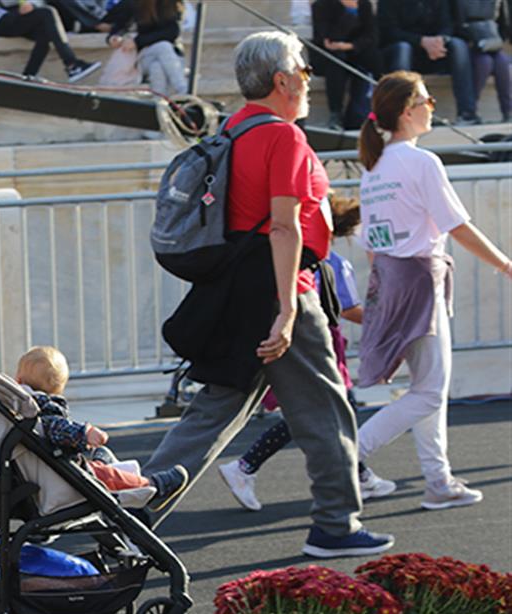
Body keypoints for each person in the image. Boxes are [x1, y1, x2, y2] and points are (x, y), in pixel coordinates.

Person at [141, 31, 394, 559]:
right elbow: (284, 229)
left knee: (211, 414)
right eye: (303, 69)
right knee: (326, 410)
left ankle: (127, 516)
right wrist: (285, 312)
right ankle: (336, 525)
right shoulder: (285, 138)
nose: (308, 78)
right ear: (282, 80)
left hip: (240, 292)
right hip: (285, 295)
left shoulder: (234, 129)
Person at [356, 71, 512, 510]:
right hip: (418, 278)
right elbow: (457, 225)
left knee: (428, 387)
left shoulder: (376, 166)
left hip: (392, 278)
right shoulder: (421, 162)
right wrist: (504, 264)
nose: (432, 108)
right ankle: (352, 455)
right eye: (427, 101)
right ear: (408, 111)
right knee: (429, 390)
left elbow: (373, 242)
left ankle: (438, 480)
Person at [218, 242, 397, 511]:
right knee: (325, 410)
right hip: (317, 341)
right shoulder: (332, 261)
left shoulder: (296, 255)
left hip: (307, 338)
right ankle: (245, 466)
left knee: (323, 410)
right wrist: (387, 322)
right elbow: (346, 308)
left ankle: (359, 475)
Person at [15, 346, 188, 505]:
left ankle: (103, 461)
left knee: (99, 465)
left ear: (18, 379)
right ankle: (153, 486)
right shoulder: (42, 407)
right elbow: (56, 428)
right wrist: (85, 433)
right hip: (66, 475)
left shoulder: (18, 405)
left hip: (43, 470)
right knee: (107, 476)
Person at [377, 0, 481, 124]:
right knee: (403, 49)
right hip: (403, 54)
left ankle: (467, 114)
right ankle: (401, 113)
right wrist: (421, 41)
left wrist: (440, 39)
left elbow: (448, 24)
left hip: (434, 53)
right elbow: (388, 32)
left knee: (458, 46)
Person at [0, 0, 103, 83]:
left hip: (26, 18)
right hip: (3, 22)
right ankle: (72, 64)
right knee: (47, 13)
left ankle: (28, 75)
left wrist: (32, 4)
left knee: (46, 31)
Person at [311, 0, 380, 130]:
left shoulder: (364, 5)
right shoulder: (321, 5)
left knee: (373, 57)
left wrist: (351, 46)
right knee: (336, 62)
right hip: (327, 55)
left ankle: (381, 109)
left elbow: (371, 37)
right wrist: (350, 14)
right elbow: (328, 39)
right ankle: (335, 114)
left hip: (355, 51)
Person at [104, 0, 188, 97]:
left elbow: (172, 32)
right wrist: (113, 38)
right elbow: (118, 26)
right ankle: (183, 90)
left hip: (171, 56)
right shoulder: (133, 3)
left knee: (157, 67)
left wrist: (137, 41)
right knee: (163, 46)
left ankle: (159, 103)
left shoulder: (173, 3)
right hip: (144, 56)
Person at [453, 0, 511, 123]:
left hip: (492, 41)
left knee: (502, 62)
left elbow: (504, 24)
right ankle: (470, 110)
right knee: (484, 63)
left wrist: (496, 40)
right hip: (468, 44)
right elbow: (454, 23)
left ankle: (508, 111)